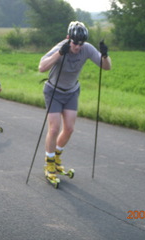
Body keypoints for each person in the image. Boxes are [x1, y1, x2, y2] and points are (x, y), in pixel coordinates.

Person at [38, 21, 111, 182]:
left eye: (80, 43)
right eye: (74, 42)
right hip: (53, 91)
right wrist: (60, 54)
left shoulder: (87, 48)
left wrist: (105, 56)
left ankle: (57, 158)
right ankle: (49, 163)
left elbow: (106, 67)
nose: (77, 47)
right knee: (55, 127)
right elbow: (41, 67)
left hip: (71, 91)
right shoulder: (61, 47)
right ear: (68, 38)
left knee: (69, 129)